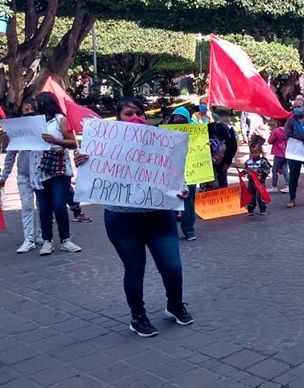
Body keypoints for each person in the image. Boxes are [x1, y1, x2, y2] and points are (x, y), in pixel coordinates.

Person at [74, 97, 193, 337]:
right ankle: (138, 316)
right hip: (122, 220)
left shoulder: (160, 144)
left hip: (159, 217)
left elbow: (175, 175)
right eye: (128, 113)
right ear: (118, 119)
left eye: (139, 113)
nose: (135, 117)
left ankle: (175, 305)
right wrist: (82, 163)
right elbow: (93, 175)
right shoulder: (102, 145)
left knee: (172, 267)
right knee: (134, 268)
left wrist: (182, 189)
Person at [31, 92, 82, 256]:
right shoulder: (32, 122)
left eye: (39, 104)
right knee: (44, 207)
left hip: (59, 169)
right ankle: (47, 241)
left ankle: (65, 240)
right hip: (38, 170)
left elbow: (74, 142)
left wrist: (55, 141)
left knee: (59, 205)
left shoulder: (60, 119)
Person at [0, 99, 42, 253]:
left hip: (40, 174)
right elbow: (10, 154)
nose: (28, 112)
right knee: (27, 206)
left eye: (31, 109)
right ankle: (29, 238)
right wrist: (4, 176)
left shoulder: (42, 128)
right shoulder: (17, 132)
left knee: (42, 206)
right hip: (24, 174)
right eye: (25, 110)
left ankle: (40, 235)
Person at [168, 107, 198, 241]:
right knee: (170, 201)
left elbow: (201, 149)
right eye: (175, 118)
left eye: (182, 118)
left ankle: (189, 230)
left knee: (189, 202)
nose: (178, 121)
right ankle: (169, 230)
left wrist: (208, 146)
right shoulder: (165, 132)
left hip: (190, 173)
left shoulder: (197, 133)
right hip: (172, 173)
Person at [243, 136, 271, 216]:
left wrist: (261, 173)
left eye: (256, 153)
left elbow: (267, 170)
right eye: (252, 153)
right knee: (251, 196)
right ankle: (250, 209)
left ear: (260, 152)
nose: (254, 155)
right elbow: (246, 168)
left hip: (259, 182)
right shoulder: (248, 161)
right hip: (251, 182)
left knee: (260, 196)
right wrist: (243, 172)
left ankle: (262, 209)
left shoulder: (263, 161)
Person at [208, 122, 238, 188]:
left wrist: (227, 162)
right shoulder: (208, 131)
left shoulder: (229, 137)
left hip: (222, 164)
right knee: (208, 186)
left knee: (221, 184)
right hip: (207, 164)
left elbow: (232, 148)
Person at [267, 119, 289, 193]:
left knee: (274, 170)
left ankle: (274, 186)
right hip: (286, 153)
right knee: (285, 170)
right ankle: (289, 185)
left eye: (276, 121)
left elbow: (270, 141)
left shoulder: (276, 131)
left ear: (279, 122)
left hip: (278, 153)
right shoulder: (288, 130)